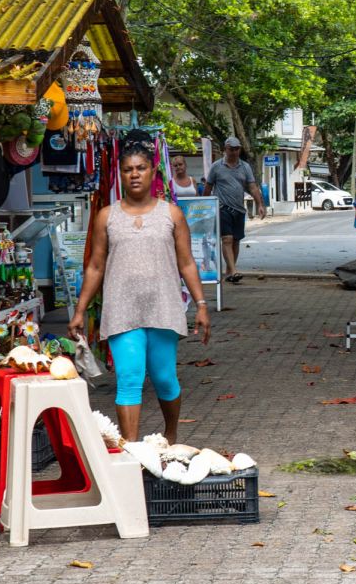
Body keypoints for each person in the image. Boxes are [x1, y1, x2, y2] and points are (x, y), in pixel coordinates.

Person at [68, 131, 211, 443]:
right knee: (129, 379)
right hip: (121, 311)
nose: (134, 174)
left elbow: (187, 263)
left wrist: (201, 305)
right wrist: (80, 311)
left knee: (164, 379)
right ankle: (132, 452)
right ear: (121, 174)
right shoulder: (107, 216)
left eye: (141, 168)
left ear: (152, 170)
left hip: (164, 309)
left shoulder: (171, 213)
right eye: (128, 169)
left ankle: (171, 435)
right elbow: (95, 265)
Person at [205, 136, 266, 284]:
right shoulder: (216, 166)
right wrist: (203, 205)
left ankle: (229, 272)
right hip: (222, 208)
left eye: (237, 149)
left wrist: (260, 204)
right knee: (227, 239)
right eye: (231, 149)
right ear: (225, 149)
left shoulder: (245, 167)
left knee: (236, 241)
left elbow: (252, 187)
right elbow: (208, 187)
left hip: (239, 209)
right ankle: (234, 270)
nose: (234, 152)